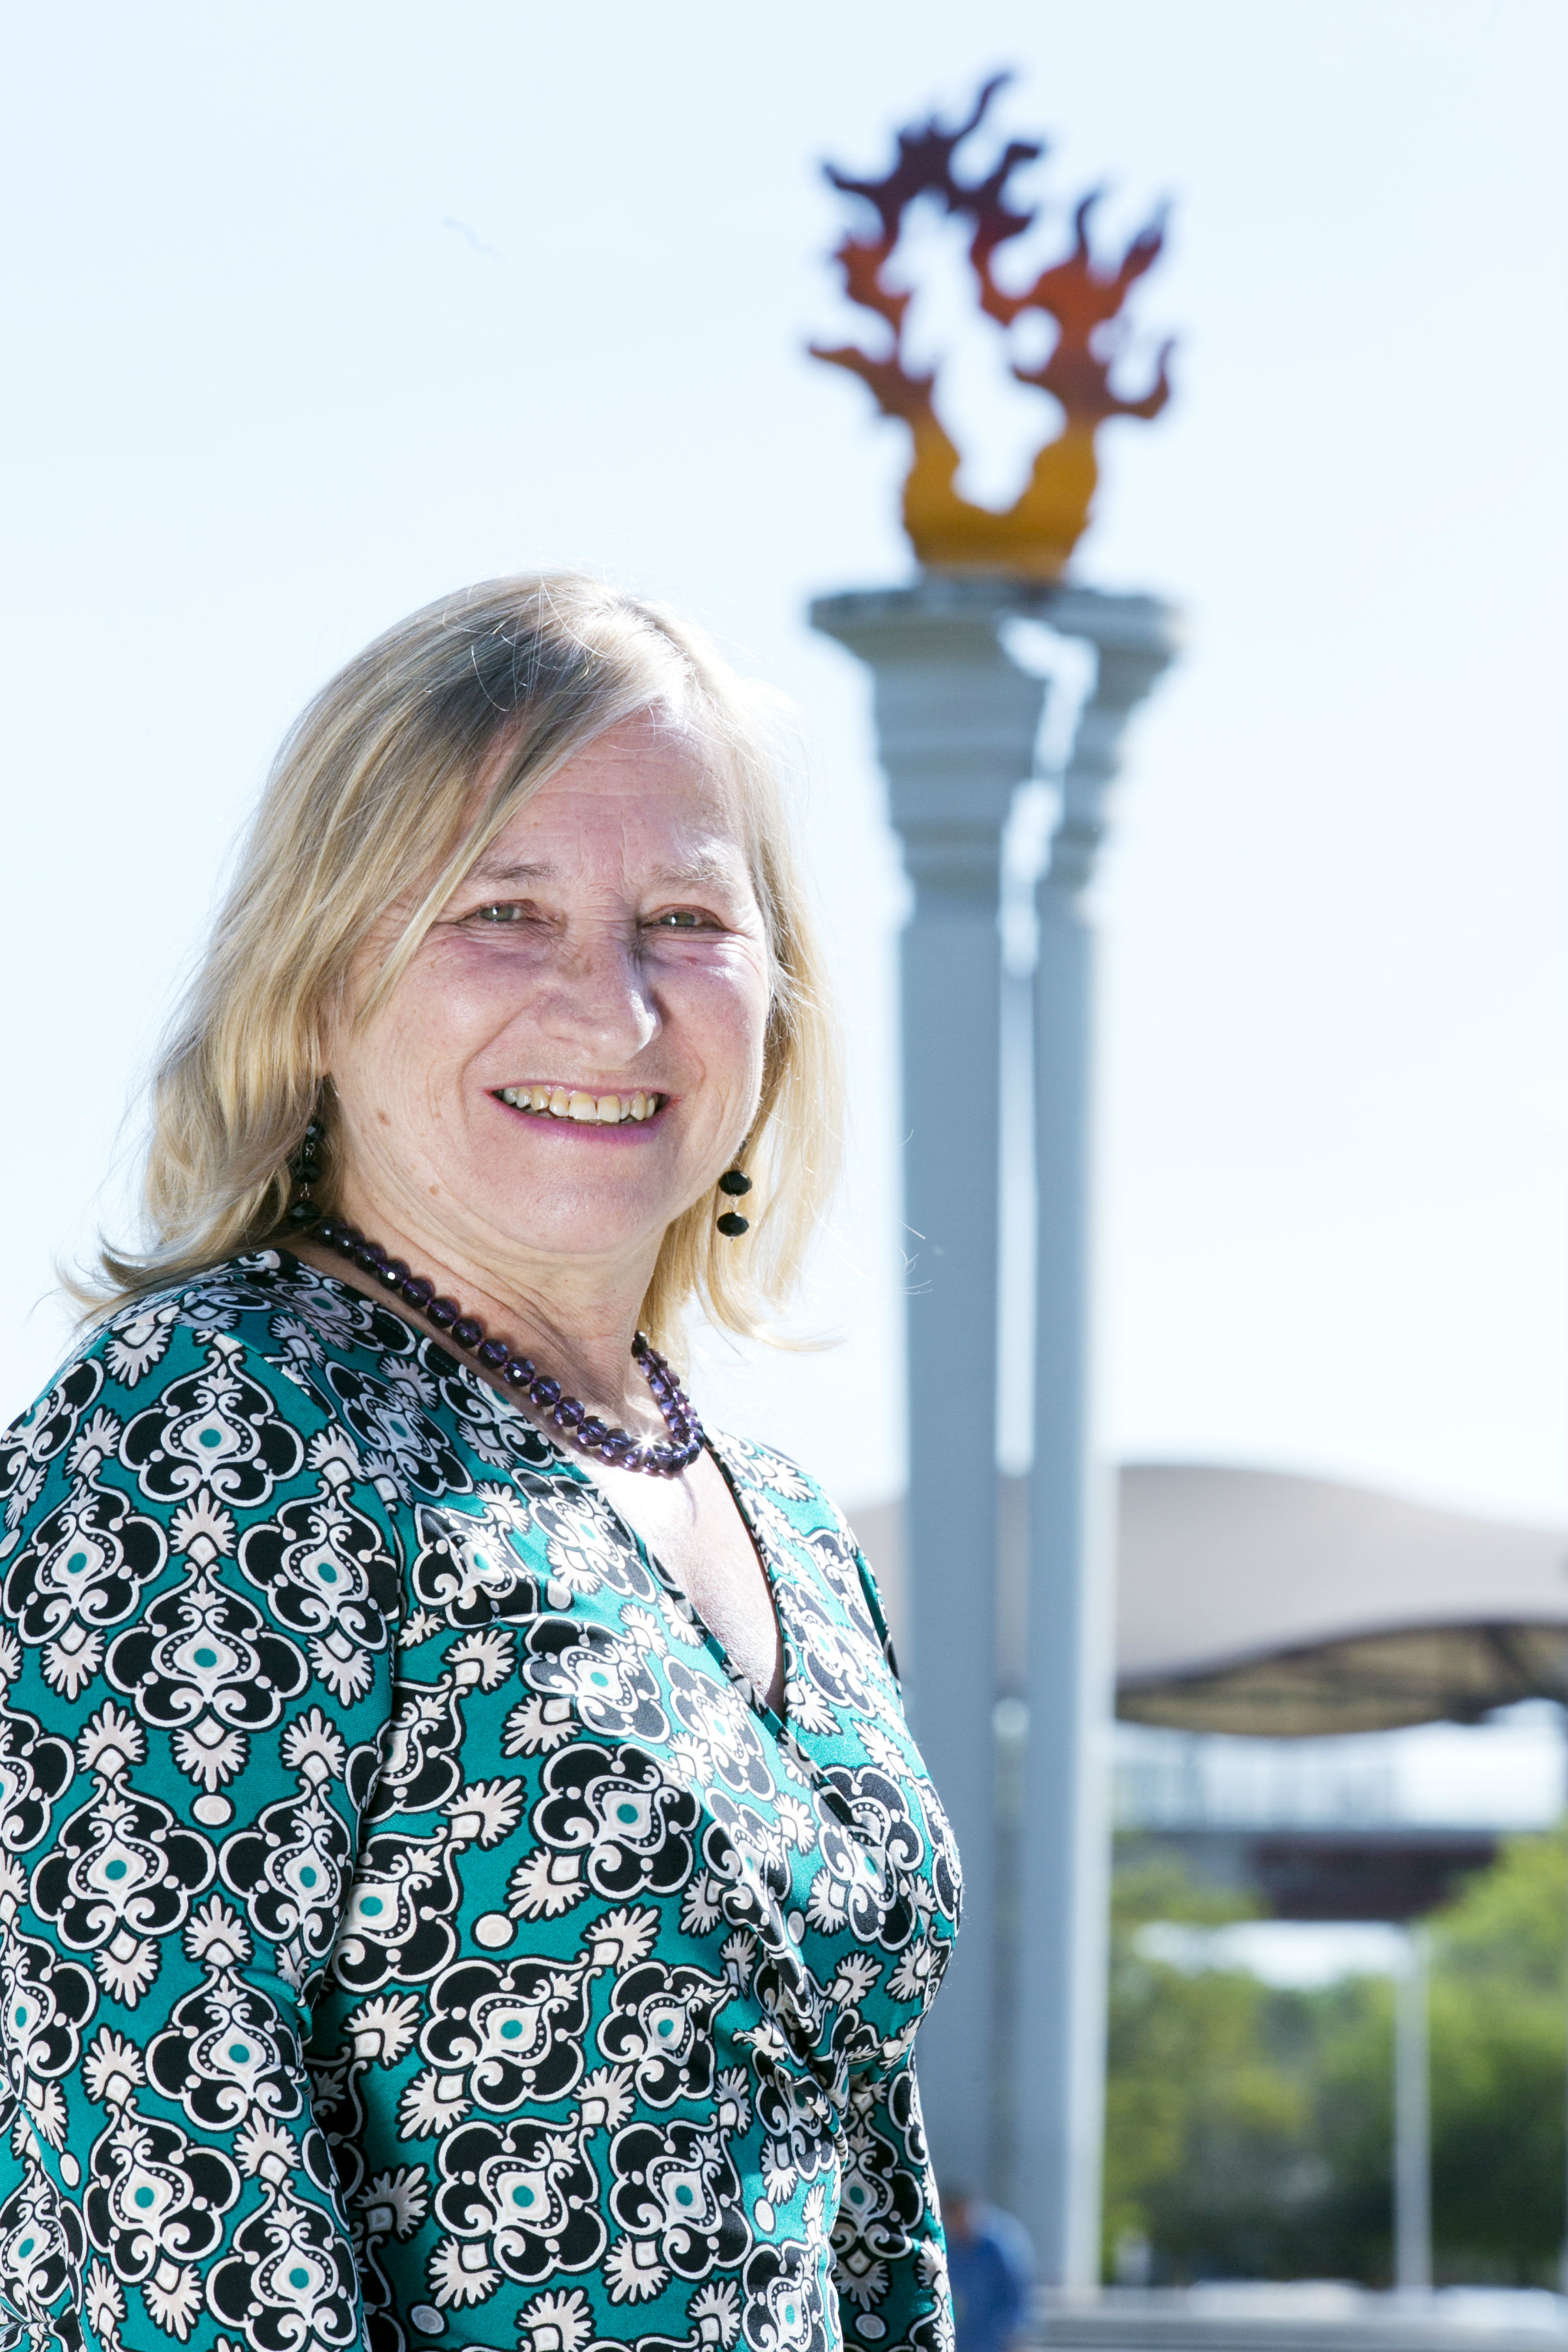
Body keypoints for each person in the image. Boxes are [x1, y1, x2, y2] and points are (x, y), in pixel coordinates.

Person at [0, 577, 961, 2352]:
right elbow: (161, 2184)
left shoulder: (795, 1536)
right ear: (319, 980)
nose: (611, 1010)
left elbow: (870, 2228)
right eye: (502, 913)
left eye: (682, 916)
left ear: (775, 995)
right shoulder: (211, 1429)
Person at [938, 2192, 1032, 2352]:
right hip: (962, 2336)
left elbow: (1018, 2291)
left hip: (994, 2334)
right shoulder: (949, 2244)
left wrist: (1014, 2330)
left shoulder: (999, 2244)